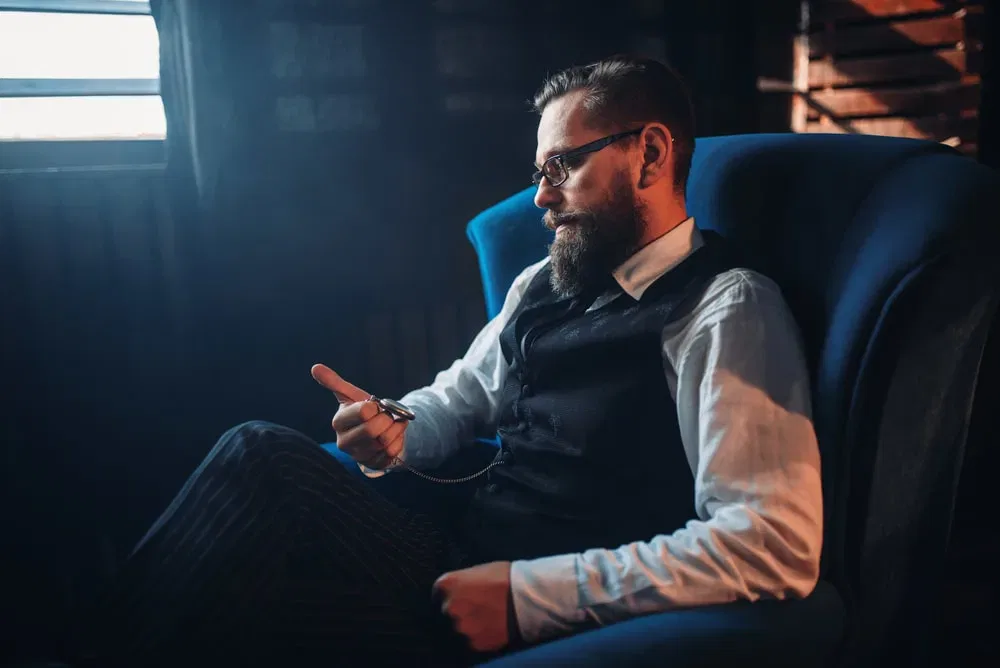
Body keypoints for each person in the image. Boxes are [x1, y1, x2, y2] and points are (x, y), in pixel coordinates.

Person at [75, 54, 823, 667]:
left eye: (562, 166)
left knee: (251, 523)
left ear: (651, 153)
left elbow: (770, 542)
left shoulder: (727, 308)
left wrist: (526, 596)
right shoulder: (543, 283)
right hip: (452, 552)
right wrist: (394, 424)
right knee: (249, 543)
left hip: (554, 613)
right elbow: (458, 400)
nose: (540, 197)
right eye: (540, 171)